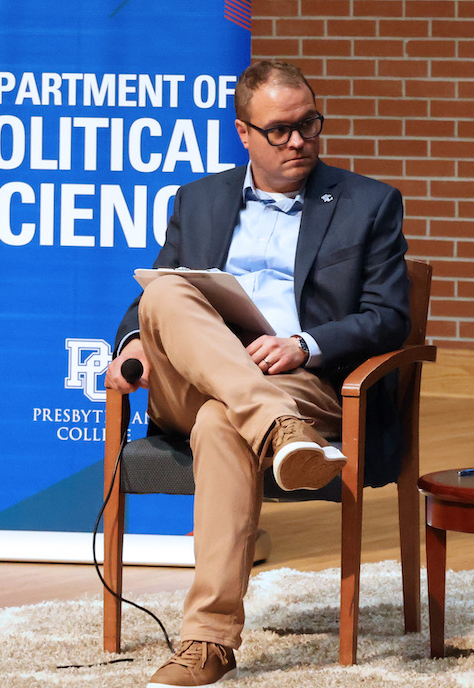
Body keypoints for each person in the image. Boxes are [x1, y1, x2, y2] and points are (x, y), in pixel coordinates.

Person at [105, 60, 410, 687]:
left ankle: (208, 641)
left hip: (298, 383)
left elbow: (388, 319)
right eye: (280, 130)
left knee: (223, 420)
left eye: (309, 124)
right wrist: (133, 347)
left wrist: (305, 343)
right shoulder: (198, 199)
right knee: (163, 294)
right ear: (243, 132)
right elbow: (147, 308)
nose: (299, 141)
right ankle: (276, 431)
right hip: (202, 380)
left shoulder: (367, 203)